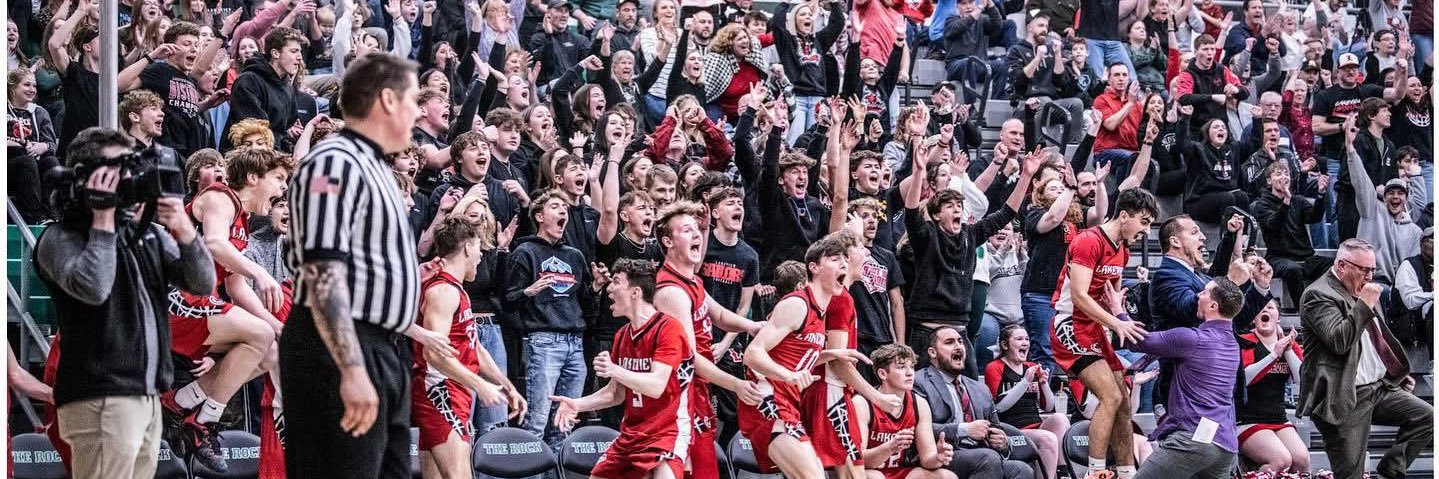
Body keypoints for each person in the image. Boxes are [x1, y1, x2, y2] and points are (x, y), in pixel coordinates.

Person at [35, 127, 213, 479]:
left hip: (145, 393)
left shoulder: (143, 231)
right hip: (99, 394)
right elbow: (94, 288)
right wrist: (102, 220)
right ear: (89, 176)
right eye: (120, 168)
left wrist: (185, 230)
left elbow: (202, 283)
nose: (131, 177)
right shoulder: (61, 236)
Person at [280, 53, 425, 479]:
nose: (418, 111)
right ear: (386, 99)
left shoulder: (373, 165)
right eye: (414, 99)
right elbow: (322, 270)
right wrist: (352, 367)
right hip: (342, 347)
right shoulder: (333, 161)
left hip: (384, 347)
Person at [164, 146, 291, 471]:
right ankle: (199, 418)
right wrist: (260, 272)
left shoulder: (244, 221)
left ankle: (186, 408)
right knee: (260, 335)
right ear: (252, 177)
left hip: (199, 306)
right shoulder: (221, 196)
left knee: (270, 351)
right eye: (278, 179)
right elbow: (214, 244)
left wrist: (278, 328)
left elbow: (234, 288)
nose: (282, 188)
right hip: (171, 300)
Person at [1298, 238, 1434, 479]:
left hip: (1378, 389)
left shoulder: (1362, 289)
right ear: (1341, 265)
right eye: (1364, 269)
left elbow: (1374, 341)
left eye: (1373, 269)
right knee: (1351, 474)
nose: (1370, 276)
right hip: (1342, 395)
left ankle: (1390, 470)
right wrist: (1364, 304)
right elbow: (1339, 342)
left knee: (1427, 417)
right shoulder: (1318, 294)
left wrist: (1394, 375)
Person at [552, 258, 695, 479]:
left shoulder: (669, 329)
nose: (609, 288)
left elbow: (657, 385)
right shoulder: (622, 335)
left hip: (666, 432)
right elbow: (615, 393)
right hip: (631, 434)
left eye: (617, 282)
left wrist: (614, 369)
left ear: (636, 292)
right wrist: (578, 404)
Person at [1049, 188, 1158, 478]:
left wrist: (1117, 311)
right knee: (1110, 396)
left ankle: (1125, 472)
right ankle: (1094, 473)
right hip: (1069, 323)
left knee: (1122, 401)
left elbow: (1110, 294)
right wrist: (1116, 323)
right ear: (1124, 216)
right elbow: (1081, 296)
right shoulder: (1088, 240)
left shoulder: (1122, 247)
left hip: (1095, 327)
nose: (1147, 231)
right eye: (1144, 222)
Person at [739, 234, 866, 479]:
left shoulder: (820, 312)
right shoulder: (797, 304)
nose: (843, 265)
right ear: (814, 267)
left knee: (814, 472)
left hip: (787, 400)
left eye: (845, 260)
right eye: (834, 259)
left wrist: (829, 354)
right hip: (766, 397)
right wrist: (790, 375)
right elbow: (752, 354)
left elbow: (793, 356)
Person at [653, 201, 764, 478]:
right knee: (689, 469)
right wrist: (736, 384)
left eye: (698, 231)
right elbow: (688, 358)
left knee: (703, 468)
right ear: (668, 241)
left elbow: (720, 315)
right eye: (687, 230)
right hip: (679, 392)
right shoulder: (671, 292)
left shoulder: (693, 281)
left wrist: (753, 326)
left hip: (699, 387)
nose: (697, 236)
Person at [410, 216, 515, 479]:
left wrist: (506, 385)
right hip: (440, 391)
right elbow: (433, 353)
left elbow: (474, 345)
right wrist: (481, 385)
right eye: (479, 247)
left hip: (453, 391)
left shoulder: (457, 290)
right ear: (468, 247)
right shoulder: (443, 291)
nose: (481, 255)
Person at [506, 190, 606, 444]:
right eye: (555, 207)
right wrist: (530, 290)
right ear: (539, 216)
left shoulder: (574, 255)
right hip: (542, 341)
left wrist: (595, 287)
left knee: (564, 423)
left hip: (575, 342)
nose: (563, 211)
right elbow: (509, 299)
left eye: (565, 207)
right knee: (537, 421)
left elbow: (583, 300)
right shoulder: (525, 251)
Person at [1129, 278, 1246, 479]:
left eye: (1203, 293)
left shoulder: (1192, 339)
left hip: (1193, 440)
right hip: (1225, 445)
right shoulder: (1232, 345)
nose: (1197, 296)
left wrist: (1117, 312)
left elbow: (1138, 340)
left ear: (1213, 305)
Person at [912, 326, 1033, 479]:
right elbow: (918, 428)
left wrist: (1002, 443)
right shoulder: (919, 382)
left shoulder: (980, 388)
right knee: (987, 458)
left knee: (1021, 469)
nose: (958, 347)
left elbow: (995, 427)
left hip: (981, 453)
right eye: (949, 342)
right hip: (942, 455)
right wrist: (965, 430)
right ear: (932, 352)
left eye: (960, 342)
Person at [854, 344, 959, 479]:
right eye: (901, 367)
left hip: (900, 470)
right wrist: (890, 447)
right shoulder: (862, 403)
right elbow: (858, 460)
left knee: (947, 476)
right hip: (868, 471)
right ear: (883, 374)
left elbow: (927, 459)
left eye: (912, 367)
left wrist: (938, 457)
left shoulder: (919, 403)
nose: (910, 373)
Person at [1234, 299, 1309, 474]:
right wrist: (1274, 355)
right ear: (1253, 319)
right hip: (1247, 419)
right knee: (1281, 460)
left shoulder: (1288, 344)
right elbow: (1244, 380)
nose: (1264, 310)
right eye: (1260, 308)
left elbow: (1303, 382)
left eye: (1270, 308)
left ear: (1278, 318)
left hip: (1278, 418)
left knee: (1302, 460)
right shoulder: (1246, 341)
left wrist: (1288, 350)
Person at [984, 326, 1067, 479]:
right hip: (1011, 430)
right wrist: (1025, 382)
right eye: (1019, 339)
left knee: (1060, 418)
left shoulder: (1029, 367)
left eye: (1027, 339)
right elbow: (998, 408)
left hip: (1035, 425)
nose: (1025, 343)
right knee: (1047, 438)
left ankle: (1062, 473)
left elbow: (1048, 407)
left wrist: (1043, 384)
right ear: (1004, 345)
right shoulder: (994, 367)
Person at [224, 27, 307, 152]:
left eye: (300, 52)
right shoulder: (248, 81)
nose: (299, 57)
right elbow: (255, 132)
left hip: (273, 156)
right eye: (294, 51)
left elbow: (281, 133)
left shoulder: (287, 87)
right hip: (245, 159)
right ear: (275, 53)